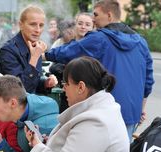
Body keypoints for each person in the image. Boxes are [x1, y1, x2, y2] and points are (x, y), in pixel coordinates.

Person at [44, 0, 154, 140]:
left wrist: (45, 54)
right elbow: (148, 82)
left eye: (96, 14)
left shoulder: (100, 38)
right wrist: (140, 109)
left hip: (103, 113)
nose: (93, 19)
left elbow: (71, 51)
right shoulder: (141, 42)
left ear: (109, 15)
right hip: (131, 114)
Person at [0, 75, 59, 152]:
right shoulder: (23, 116)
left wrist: (2, 147)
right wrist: (0, 145)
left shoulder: (44, 126)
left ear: (13, 103)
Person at [0, 5, 58, 94]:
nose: (38, 30)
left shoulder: (35, 47)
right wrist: (34, 58)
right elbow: (19, 90)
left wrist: (46, 83)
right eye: (33, 24)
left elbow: (33, 84)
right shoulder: (8, 51)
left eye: (41, 25)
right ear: (21, 25)